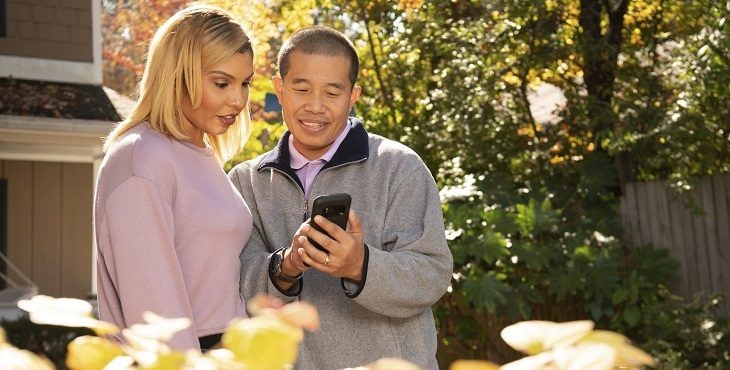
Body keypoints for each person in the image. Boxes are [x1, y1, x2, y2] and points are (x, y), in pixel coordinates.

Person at [228, 26, 453, 369]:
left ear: (353, 95)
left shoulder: (399, 168)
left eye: (332, 93)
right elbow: (231, 284)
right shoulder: (246, 183)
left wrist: (359, 264)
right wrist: (284, 266)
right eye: (301, 88)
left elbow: (432, 274)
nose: (315, 107)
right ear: (280, 89)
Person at [94, 5, 254, 351]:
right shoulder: (141, 157)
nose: (238, 99)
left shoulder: (200, 154)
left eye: (245, 84)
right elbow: (154, 313)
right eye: (222, 83)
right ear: (178, 73)